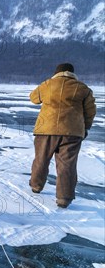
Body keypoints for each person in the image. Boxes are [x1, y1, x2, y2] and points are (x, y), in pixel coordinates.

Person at [29, 63, 96, 208]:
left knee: (41, 159)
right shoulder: (83, 88)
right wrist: (85, 128)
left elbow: (33, 98)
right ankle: (64, 198)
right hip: (72, 132)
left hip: (45, 130)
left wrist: (47, 86)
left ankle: (36, 186)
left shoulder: (47, 84)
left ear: (56, 72)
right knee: (67, 165)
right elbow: (90, 112)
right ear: (72, 73)